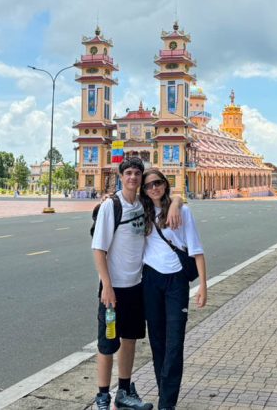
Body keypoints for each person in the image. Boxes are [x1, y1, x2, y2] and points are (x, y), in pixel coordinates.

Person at [91, 158, 182, 410]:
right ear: (121, 176)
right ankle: (102, 395)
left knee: (130, 338)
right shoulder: (112, 205)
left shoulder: (143, 205)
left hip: (136, 285)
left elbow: (170, 198)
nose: (133, 177)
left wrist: (176, 201)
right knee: (107, 342)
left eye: (137, 174)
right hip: (113, 287)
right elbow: (98, 249)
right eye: (128, 173)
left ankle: (123, 390)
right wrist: (106, 286)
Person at [140, 168, 206, 410]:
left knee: (175, 342)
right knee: (157, 341)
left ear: (165, 184)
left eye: (158, 183)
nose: (154, 188)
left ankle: (167, 403)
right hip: (151, 280)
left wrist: (203, 287)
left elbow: (197, 249)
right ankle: (164, 395)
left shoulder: (183, 211)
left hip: (177, 281)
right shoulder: (142, 211)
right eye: (148, 186)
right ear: (144, 191)